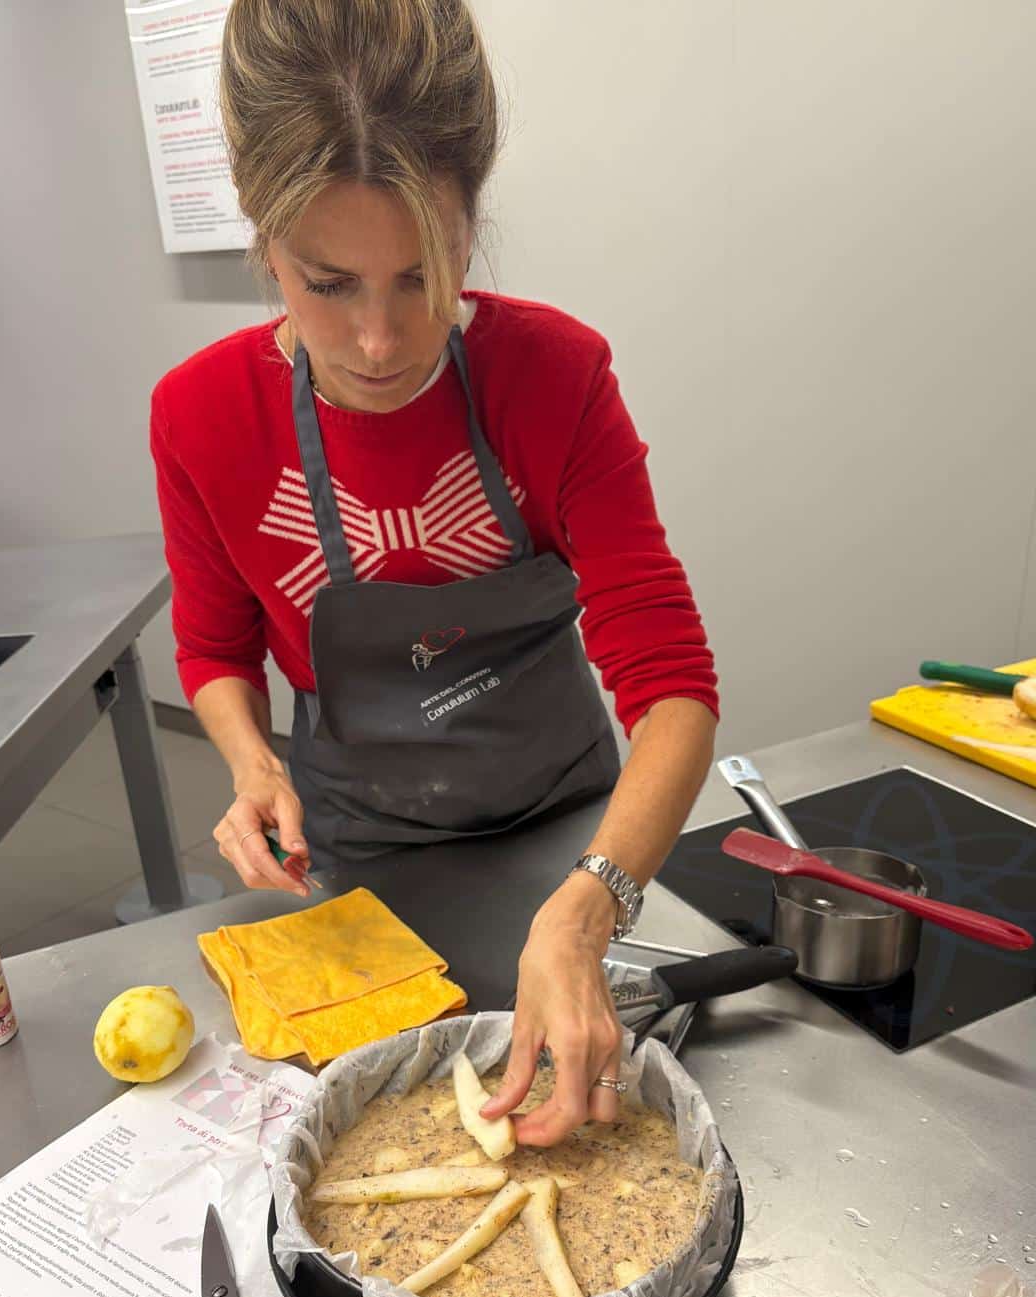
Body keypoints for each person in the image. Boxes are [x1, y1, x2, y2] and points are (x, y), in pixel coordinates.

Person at [151, 0, 718, 1146]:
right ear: (261, 235)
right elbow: (214, 649)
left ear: (471, 222)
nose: (379, 340)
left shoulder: (553, 377)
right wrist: (253, 765)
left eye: (424, 274)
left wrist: (587, 910)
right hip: (365, 859)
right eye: (328, 282)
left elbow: (673, 691)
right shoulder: (202, 416)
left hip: (572, 836)